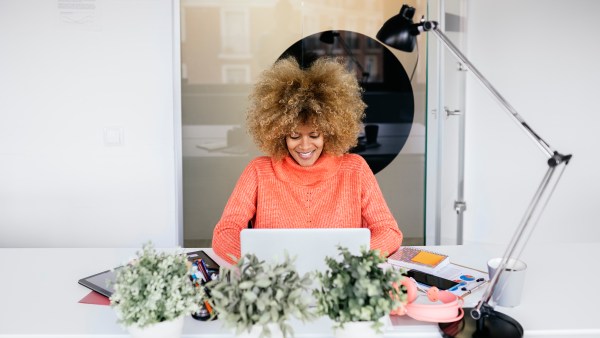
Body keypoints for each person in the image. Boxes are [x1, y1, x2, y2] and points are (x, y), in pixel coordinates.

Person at [212, 56, 402, 263]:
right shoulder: (259, 171)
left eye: (314, 135)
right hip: (278, 285)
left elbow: (389, 231)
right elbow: (224, 233)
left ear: (329, 132)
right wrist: (262, 265)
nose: (304, 146)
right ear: (279, 133)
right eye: (294, 136)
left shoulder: (355, 169)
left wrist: (353, 264)